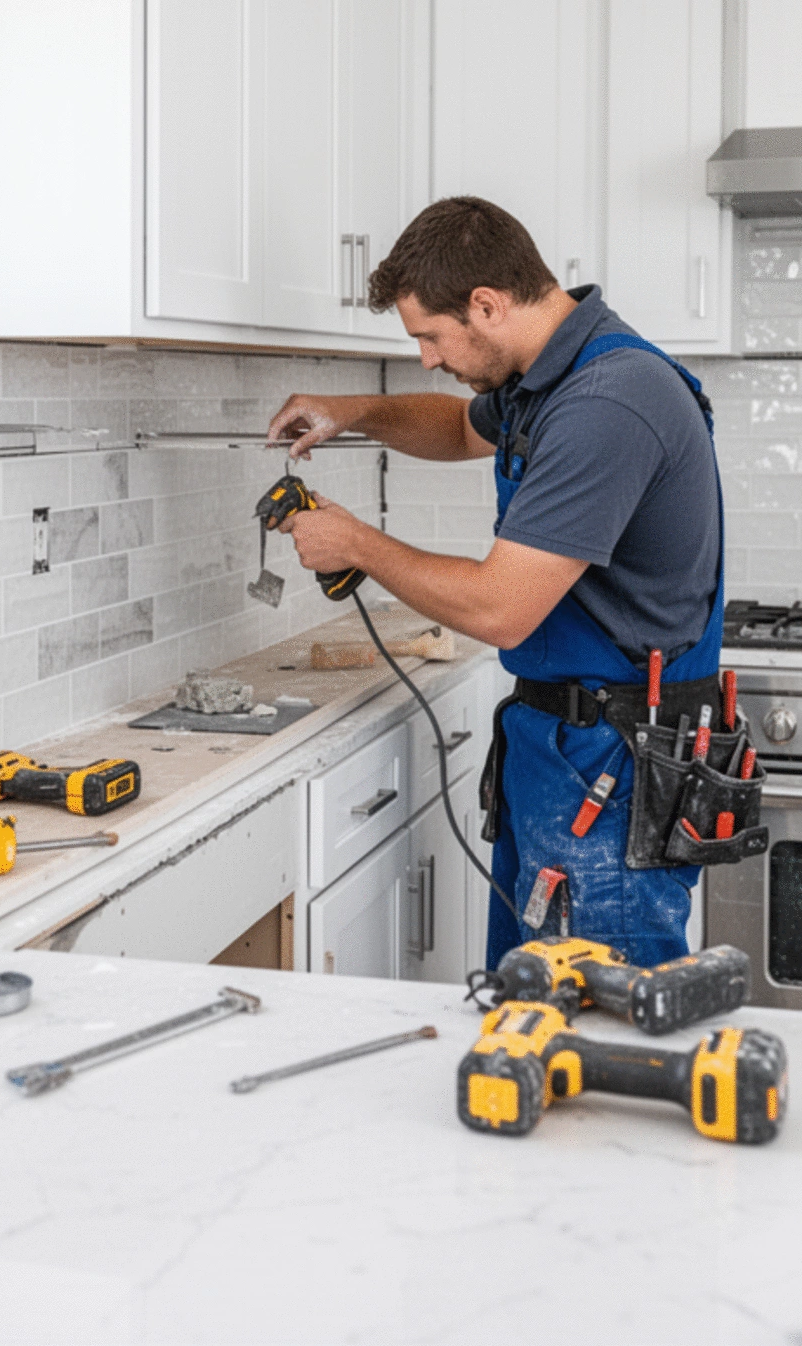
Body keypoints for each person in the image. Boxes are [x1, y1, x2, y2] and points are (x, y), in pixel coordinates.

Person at [265, 197, 723, 967]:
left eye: (431, 337)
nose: (427, 359)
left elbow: (500, 608)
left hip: (612, 771)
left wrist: (356, 543)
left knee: (599, 1033)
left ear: (487, 304)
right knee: (532, 1013)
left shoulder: (608, 402)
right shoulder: (549, 376)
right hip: (560, 752)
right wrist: (351, 411)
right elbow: (457, 428)